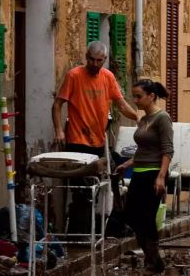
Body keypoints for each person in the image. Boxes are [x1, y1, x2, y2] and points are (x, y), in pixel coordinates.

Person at [52, 41, 138, 233]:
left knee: (103, 183)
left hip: (98, 141)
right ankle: (80, 231)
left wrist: (139, 117)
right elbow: (57, 105)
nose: (95, 64)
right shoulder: (74, 75)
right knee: (81, 189)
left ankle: (102, 227)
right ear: (86, 57)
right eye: (91, 59)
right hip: (77, 141)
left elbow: (121, 104)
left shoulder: (108, 77)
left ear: (104, 60)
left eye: (99, 60)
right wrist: (59, 130)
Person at [113, 80, 173, 274]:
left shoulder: (162, 118)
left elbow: (167, 150)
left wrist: (161, 177)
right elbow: (142, 150)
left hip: (154, 174)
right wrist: (126, 164)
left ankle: (153, 262)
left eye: (139, 96)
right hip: (139, 173)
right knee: (131, 215)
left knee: (147, 217)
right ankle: (152, 260)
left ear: (151, 96)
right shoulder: (144, 119)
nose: (135, 100)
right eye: (134, 96)